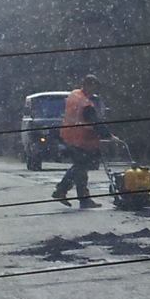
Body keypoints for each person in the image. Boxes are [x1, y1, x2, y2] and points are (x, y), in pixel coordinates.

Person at [52, 74, 105, 207]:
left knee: (81, 167)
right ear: (88, 85)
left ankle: (83, 199)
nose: (94, 92)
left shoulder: (74, 95)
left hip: (69, 135)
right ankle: (62, 190)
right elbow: (94, 123)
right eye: (93, 88)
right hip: (79, 138)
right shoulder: (86, 104)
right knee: (80, 167)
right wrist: (109, 136)